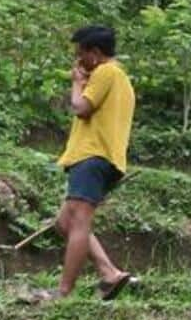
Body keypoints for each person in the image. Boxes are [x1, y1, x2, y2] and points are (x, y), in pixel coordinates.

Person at [51, 24, 136, 300]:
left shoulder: (105, 72)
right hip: (104, 157)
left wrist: (77, 84)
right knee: (65, 222)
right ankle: (109, 273)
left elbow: (81, 108)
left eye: (81, 54)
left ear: (96, 53)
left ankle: (63, 291)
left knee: (78, 222)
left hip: (92, 156)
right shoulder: (119, 77)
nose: (78, 61)